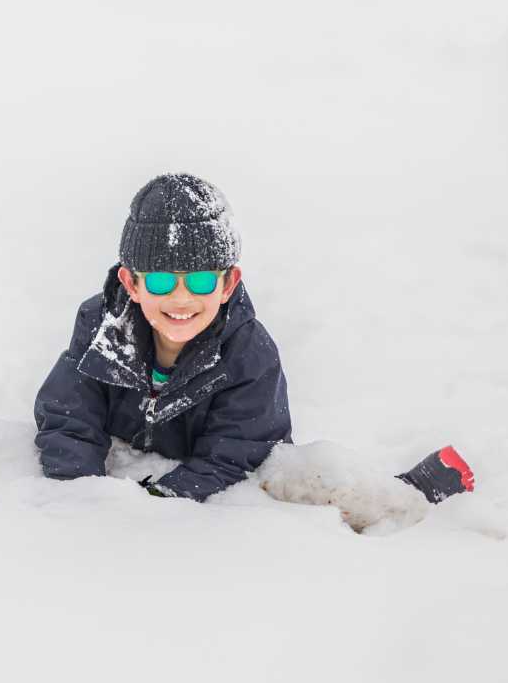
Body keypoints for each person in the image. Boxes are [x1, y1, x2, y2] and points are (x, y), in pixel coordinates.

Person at [33, 173, 472, 513]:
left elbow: (238, 455)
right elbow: (68, 416)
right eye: (162, 281)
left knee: (296, 485)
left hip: (225, 477)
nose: (182, 298)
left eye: (202, 281)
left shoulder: (246, 354)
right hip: (131, 460)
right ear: (131, 282)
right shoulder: (102, 326)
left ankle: (402, 498)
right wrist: (81, 499)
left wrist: (161, 503)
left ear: (228, 284)